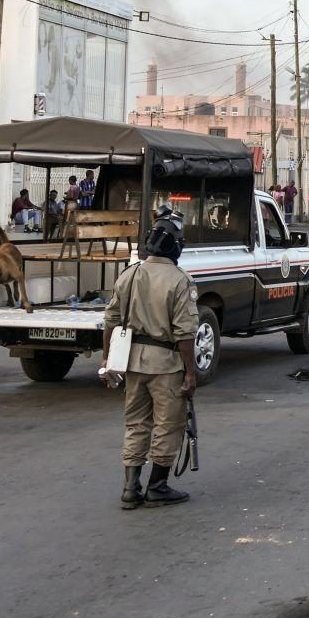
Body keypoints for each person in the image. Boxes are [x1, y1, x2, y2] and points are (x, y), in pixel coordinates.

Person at [103, 214, 199, 510]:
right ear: (177, 247)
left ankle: (131, 488)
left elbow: (111, 320)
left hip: (132, 362)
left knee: (136, 424)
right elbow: (185, 333)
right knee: (168, 425)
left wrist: (107, 359)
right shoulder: (180, 280)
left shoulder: (129, 274)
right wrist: (191, 373)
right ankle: (157, 486)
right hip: (166, 364)